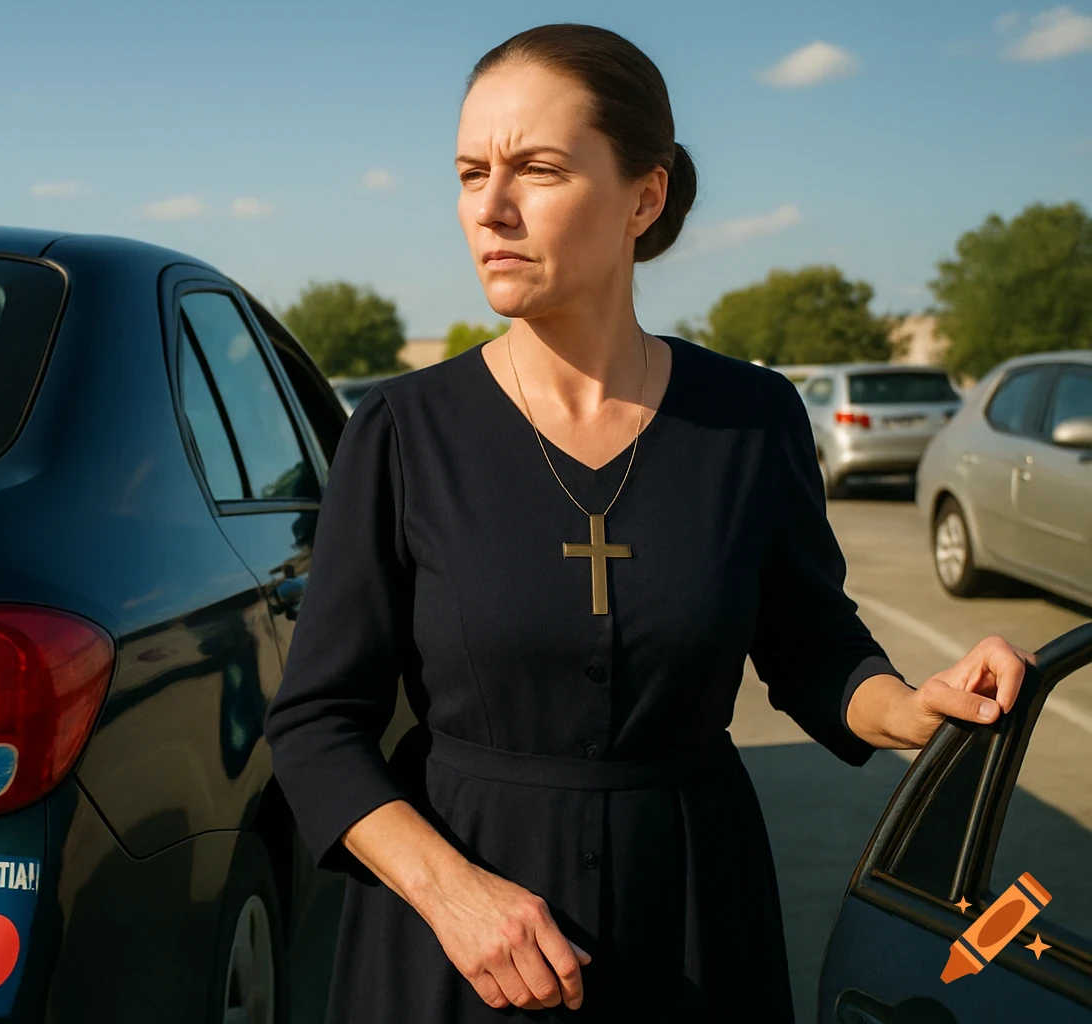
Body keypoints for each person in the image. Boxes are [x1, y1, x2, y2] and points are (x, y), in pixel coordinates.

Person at [261, 22, 1035, 1023]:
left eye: (538, 169)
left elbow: (814, 650)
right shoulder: (404, 431)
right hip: (459, 953)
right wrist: (454, 896)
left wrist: (916, 707)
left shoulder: (750, 419)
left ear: (645, 196)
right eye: (470, 173)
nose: (490, 207)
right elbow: (317, 725)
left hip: (696, 924)